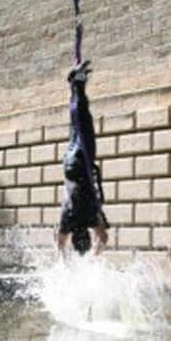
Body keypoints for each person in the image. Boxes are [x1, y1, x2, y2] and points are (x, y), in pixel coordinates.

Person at [58, 60, 110, 255]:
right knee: (76, 126)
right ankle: (75, 83)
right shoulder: (67, 218)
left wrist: (94, 258)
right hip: (70, 166)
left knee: (83, 122)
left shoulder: (89, 216)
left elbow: (103, 238)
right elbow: (60, 241)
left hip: (82, 163)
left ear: (88, 235)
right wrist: (63, 259)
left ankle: (77, 81)